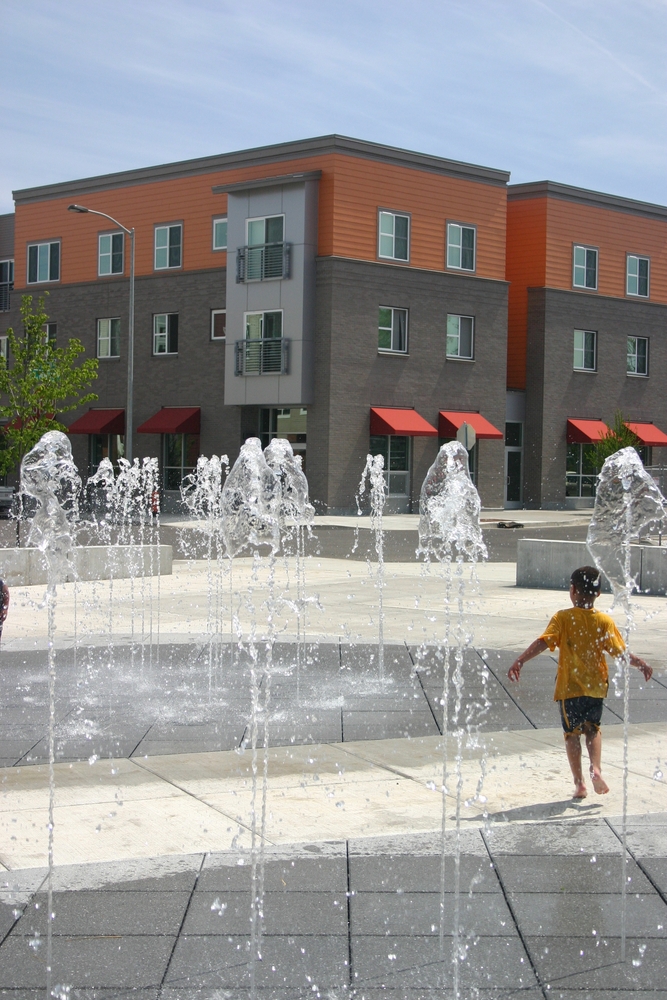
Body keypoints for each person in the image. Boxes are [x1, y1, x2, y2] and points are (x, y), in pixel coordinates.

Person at [508, 565, 652, 799]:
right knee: (593, 729)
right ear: (598, 593)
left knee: (572, 734)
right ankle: (596, 768)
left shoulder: (563, 618)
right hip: (596, 688)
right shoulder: (604, 621)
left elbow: (544, 642)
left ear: (573, 590)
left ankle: (580, 784)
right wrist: (641, 664)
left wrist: (520, 660)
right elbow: (620, 653)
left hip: (570, 689)